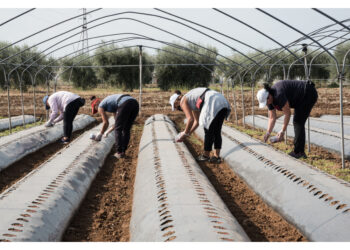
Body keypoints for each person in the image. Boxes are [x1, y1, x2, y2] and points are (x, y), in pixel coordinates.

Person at [256, 80, 318, 159]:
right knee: (298, 121)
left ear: (269, 96)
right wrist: (268, 133)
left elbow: (287, 113)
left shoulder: (278, 94)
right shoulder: (269, 100)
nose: (267, 104)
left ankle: (299, 152)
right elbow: (272, 117)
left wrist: (282, 131)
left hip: (308, 93)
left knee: (298, 122)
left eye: (266, 102)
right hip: (299, 98)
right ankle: (299, 151)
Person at [169, 87, 231, 164]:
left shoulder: (182, 101)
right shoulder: (191, 99)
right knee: (216, 130)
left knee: (208, 129)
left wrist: (184, 133)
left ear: (176, 102)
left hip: (212, 101)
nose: (178, 108)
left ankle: (206, 155)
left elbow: (190, 119)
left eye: (175, 107)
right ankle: (216, 157)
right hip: (222, 101)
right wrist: (188, 134)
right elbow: (196, 121)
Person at [90, 94, 139, 159]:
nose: (97, 111)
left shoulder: (100, 106)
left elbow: (106, 122)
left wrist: (100, 134)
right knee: (126, 129)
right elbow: (117, 123)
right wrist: (107, 132)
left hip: (125, 103)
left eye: (95, 109)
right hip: (134, 103)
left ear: (96, 105)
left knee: (118, 130)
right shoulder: (112, 104)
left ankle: (119, 152)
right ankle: (123, 152)